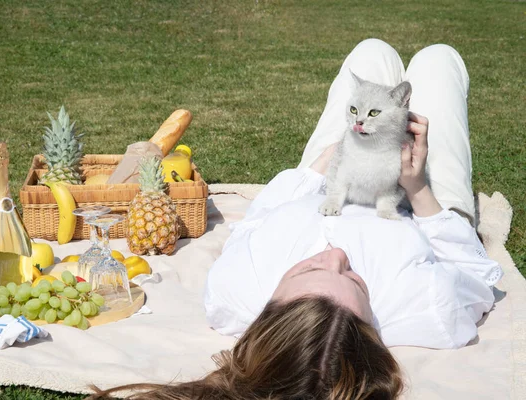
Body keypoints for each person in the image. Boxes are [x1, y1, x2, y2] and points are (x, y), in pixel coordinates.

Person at [88, 39, 502, 399]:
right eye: (354, 279)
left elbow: (258, 221)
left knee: (371, 52)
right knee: (439, 59)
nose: (336, 255)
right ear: (370, 330)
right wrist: (417, 185)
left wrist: (329, 159)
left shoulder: (233, 294)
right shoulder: (427, 309)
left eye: (310, 268)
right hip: (420, 198)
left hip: (323, 177)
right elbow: (475, 270)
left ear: (268, 307)